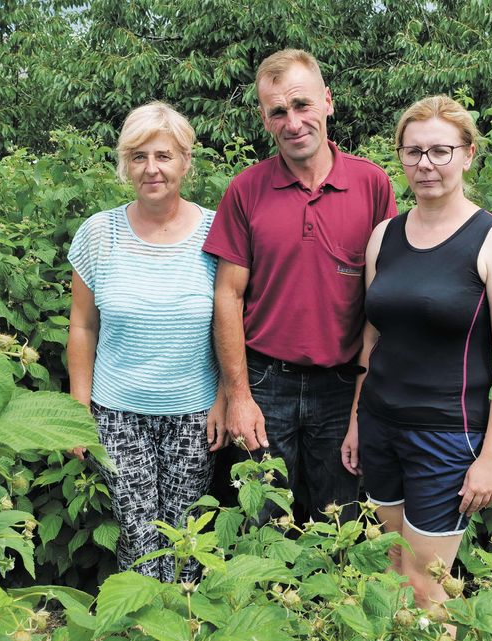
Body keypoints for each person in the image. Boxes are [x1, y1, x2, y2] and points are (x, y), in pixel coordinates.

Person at [341, 95, 492, 607]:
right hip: (381, 428)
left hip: (447, 437)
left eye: (441, 151)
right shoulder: (386, 236)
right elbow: (373, 337)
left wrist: (491, 458)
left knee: (429, 585)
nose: (426, 164)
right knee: (392, 571)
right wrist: (360, 418)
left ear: (468, 155)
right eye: (414, 151)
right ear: (400, 157)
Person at [204, 49, 397, 521]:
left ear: (327, 101)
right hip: (265, 384)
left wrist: (364, 406)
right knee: (261, 524)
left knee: (340, 524)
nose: (293, 122)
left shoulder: (373, 185)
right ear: (264, 120)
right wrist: (238, 396)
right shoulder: (246, 189)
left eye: (302, 105)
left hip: (342, 386)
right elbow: (227, 296)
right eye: (278, 112)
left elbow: (383, 305)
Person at [66, 101, 226, 583]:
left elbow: (233, 322)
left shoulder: (218, 231)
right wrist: (78, 412)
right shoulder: (100, 233)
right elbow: (82, 326)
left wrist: (225, 397)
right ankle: (142, 623)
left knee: (187, 534)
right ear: (125, 164)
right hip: (118, 413)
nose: (151, 168)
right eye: (138, 157)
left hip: (195, 412)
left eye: (163, 155)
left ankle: (186, 621)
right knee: (137, 532)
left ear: (185, 161)